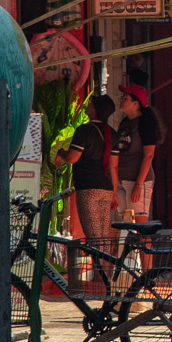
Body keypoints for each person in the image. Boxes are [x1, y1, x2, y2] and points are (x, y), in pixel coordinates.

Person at [70, 95, 120, 259]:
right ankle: (103, 279)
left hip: (88, 188)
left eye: (91, 103)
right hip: (105, 189)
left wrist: (59, 153)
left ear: (95, 110)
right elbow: (113, 166)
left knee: (94, 239)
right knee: (103, 238)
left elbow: (72, 158)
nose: (88, 104)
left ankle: (100, 281)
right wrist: (113, 194)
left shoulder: (84, 130)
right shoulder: (112, 134)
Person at [112, 84, 163, 222]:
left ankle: (147, 245)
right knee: (127, 225)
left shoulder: (145, 122)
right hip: (121, 179)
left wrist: (138, 184)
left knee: (140, 228)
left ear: (135, 103)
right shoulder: (124, 122)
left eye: (125, 97)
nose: (121, 99)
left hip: (137, 180)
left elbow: (149, 155)